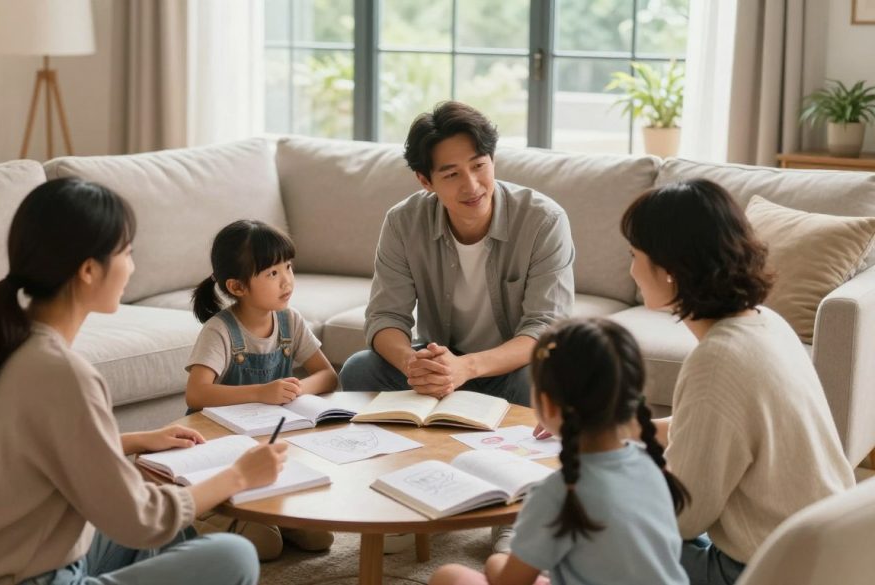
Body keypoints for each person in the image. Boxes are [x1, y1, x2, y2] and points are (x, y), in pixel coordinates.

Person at [0, 178, 286, 585]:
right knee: (232, 557)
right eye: (126, 252)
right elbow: (141, 520)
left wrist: (138, 439)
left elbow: (26, 452)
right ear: (89, 270)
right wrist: (240, 476)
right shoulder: (61, 373)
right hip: (21, 577)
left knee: (172, 527)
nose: (132, 266)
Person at [620, 178, 855, 584]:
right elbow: (716, 431)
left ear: (671, 270)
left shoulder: (716, 361)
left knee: (602, 523)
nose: (631, 269)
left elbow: (683, 520)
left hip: (765, 571)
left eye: (634, 254)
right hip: (824, 553)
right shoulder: (766, 323)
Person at [339, 101, 575, 408]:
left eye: (479, 166)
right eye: (451, 175)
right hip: (442, 363)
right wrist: (415, 365)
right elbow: (385, 317)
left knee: (547, 381)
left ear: (493, 160)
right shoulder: (403, 222)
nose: (472, 186)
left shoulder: (544, 220)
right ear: (426, 181)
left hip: (509, 367)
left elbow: (546, 329)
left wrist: (467, 368)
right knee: (359, 370)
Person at [429, 318, 690, 585]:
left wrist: (500, 566)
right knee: (500, 563)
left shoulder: (556, 494)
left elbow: (511, 582)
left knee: (449, 576)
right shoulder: (658, 467)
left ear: (548, 405)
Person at [185, 219, 338, 559]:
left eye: (288, 267)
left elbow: (327, 376)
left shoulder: (290, 321)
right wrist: (261, 392)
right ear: (237, 287)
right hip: (221, 453)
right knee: (265, 546)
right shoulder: (220, 331)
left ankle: (266, 511)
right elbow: (196, 394)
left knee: (320, 539)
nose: (287, 280)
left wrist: (297, 390)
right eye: (272, 273)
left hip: (267, 450)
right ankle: (197, 518)